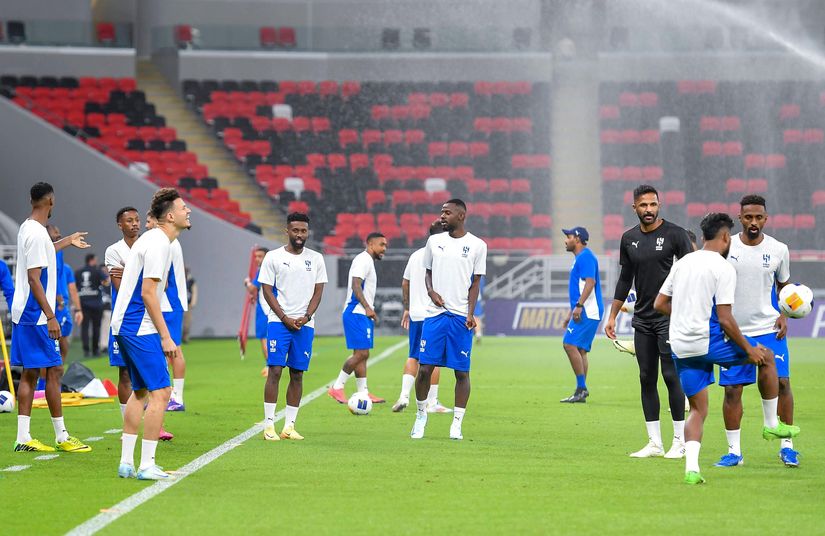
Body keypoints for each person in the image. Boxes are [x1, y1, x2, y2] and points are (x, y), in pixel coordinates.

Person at [653, 212, 799, 484]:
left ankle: (692, 469)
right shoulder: (723, 268)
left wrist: (685, 316)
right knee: (765, 358)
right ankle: (770, 425)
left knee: (698, 410)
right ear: (723, 237)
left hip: (680, 344)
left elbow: (659, 305)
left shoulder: (682, 263)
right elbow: (725, 319)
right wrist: (748, 349)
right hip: (706, 341)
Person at [604, 184, 693, 459]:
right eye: (643, 205)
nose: (649, 210)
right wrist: (613, 314)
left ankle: (679, 441)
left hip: (669, 318)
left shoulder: (676, 234)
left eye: (653, 205)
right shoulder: (628, 238)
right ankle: (655, 443)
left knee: (670, 376)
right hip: (642, 320)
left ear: (659, 205)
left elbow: (692, 273)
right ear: (634, 208)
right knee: (646, 378)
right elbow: (624, 278)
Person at [714, 195, 798, 468]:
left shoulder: (778, 249)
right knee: (732, 391)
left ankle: (787, 445)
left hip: (768, 329)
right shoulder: (726, 246)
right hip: (734, 331)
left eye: (758, 217)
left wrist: (785, 313)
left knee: (783, 383)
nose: (753, 222)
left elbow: (784, 286)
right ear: (739, 218)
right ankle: (734, 452)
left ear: (766, 218)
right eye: (748, 217)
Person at [112, 188, 190, 480]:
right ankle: (146, 465)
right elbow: (148, 294)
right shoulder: (159, 243)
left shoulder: (155, 240)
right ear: (170, 216)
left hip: (125, 325)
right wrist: (166, 336)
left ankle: (126, 463)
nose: (188, 211)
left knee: (141, 392)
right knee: (162, 392)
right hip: (137, 326)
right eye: (184, 208)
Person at [11, 182, 91, 453]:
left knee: (31, 373)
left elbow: (42, 255)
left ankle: (24, 437)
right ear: (51, 201)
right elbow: (35, 279)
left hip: (26, 312)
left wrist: (66, 241)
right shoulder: (36, 233)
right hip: (36, 315)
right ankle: (62, 436)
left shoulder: (29, 228)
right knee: (54, 370)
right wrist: (51, 316)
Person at [411, 199, 487, 440]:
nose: (442, 216)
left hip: (460, 317)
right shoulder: (434, 242)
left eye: (447, 213)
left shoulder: (477, 245)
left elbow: (476, 283)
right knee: (424, 369)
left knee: (461, 373)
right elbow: (428, 274)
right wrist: (431, 292)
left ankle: (457, 423)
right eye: (441, 212)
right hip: (435, 315)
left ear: (461, 215)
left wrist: (470, 313)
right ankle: (421, 415)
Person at [258, 213, 327, 441]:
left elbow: (318, 292)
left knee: (297, 374)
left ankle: (289, 426)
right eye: (295, 230)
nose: (300, 235)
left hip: (305, 324)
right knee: (275, 370)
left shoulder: (316, 258)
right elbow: (267, 290)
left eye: (303, 231)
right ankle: (269, 426)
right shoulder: (273, 257)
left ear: (308, 232)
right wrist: (284, 316)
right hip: (279, 322)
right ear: (286, 231)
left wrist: (306, 317)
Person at [392, 220, 451, 414]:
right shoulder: (443, 255)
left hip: (416, 313)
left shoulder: (416, 255)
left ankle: (403, 395)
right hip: (433, 314)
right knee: (434, 358)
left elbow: (405, 282)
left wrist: (407, 307)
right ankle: (432, 402)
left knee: (413, 355)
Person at [327, 232, 388, 404]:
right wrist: (368, 307)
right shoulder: (362, 260)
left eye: (385, 245)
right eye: (381, 244)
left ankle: (363, 392)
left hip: (361, 312)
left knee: (363, 354)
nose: (384, 248)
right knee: (361, 353)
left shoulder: (368, 261)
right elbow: (356, 285)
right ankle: (337, 387)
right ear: (370, 244)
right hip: (356, 312)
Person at [104, 206, 141, 418]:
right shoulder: (114, 251)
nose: (135, 223)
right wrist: (142, 276)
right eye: (129, 220)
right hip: (123, 319)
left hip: (148, 318)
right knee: (125, 373)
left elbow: (160, 284)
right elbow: (121, 288)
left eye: (137, 220)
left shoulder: (149, 247)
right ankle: (128, 423)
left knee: (150, 373)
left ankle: (155, 422)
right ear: (120, 225)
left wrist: (128, 272)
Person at [560, 226, 603, 403]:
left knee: (569, 344)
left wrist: (579, 306)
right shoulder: (582, 257)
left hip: (588, 310)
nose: (565, 240)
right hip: (586, 309)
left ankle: (581, 388)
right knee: (580, 350)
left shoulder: (585, 256)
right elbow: (581, 287)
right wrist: (571, 311)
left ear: (577, 239)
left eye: (568, 237)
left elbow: (590, 282)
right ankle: (581, 391)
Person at [156, 215, 190, 411]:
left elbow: (163, 277)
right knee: (168, 349)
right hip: (170, 302)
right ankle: (169, 394)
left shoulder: (166, 243)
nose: (145, 225)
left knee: (173, 348)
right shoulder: (169, 242)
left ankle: (176, 397)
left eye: (148, 221)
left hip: (168, 302)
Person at [47, 225, 82, 362]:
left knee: (62, 340)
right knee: (54, 343)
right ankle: (47, 379)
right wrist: (59, 299)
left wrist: (78, 309)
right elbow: (52, 275)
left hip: (62, 305)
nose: (59, 234)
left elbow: (73, 289)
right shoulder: (49, 252)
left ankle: (56, 376)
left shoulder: (62, 260)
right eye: (55, 232)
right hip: (55, 305)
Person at [75, 253, 109, 357]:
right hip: (96, 303)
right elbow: (106, 281)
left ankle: (86, 350)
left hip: (83, 303)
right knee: (96, 327)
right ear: (92, 260)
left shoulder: (78, 272)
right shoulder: (97, 271)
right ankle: (95, 349)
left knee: (85, 327)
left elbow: (74, 286)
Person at [244, 247, 270, 377]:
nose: (257, 259)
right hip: (271, 308)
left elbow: (252, 288)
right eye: (256, 256)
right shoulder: (271, 269)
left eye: (260, 256)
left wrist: (247, 282)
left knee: (264, 339)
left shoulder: (263, 270)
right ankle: (272, 365)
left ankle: (269, 366)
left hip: (265, 309)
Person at [182, 266, 197, 343]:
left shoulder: (191, 281)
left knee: (187, 322)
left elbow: (194, 292)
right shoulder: (179, 279)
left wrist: (193, 302)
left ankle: (185, 337)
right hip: (179, 304)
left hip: (188, 304)